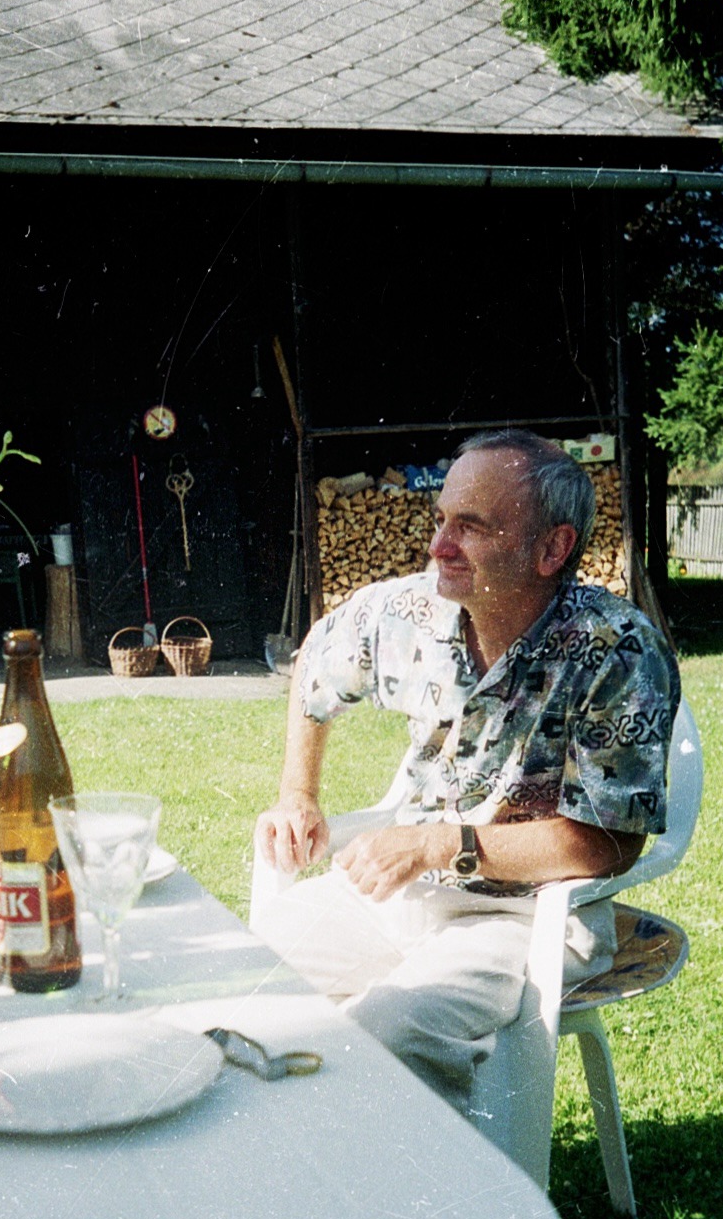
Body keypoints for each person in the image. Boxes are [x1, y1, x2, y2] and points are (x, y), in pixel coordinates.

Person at [253, 429, 681, 1115]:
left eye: (471, 527)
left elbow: (607, 842)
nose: (438, 546)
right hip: (400, 893)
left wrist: (436, 844)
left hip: (526, 916)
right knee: (244, 984)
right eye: (440, 519)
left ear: (552, 548)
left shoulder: (618, 652)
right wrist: (296, 794)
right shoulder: (410, 613)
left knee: (388, 1035)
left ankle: (411, 1203)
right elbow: (317, 659)